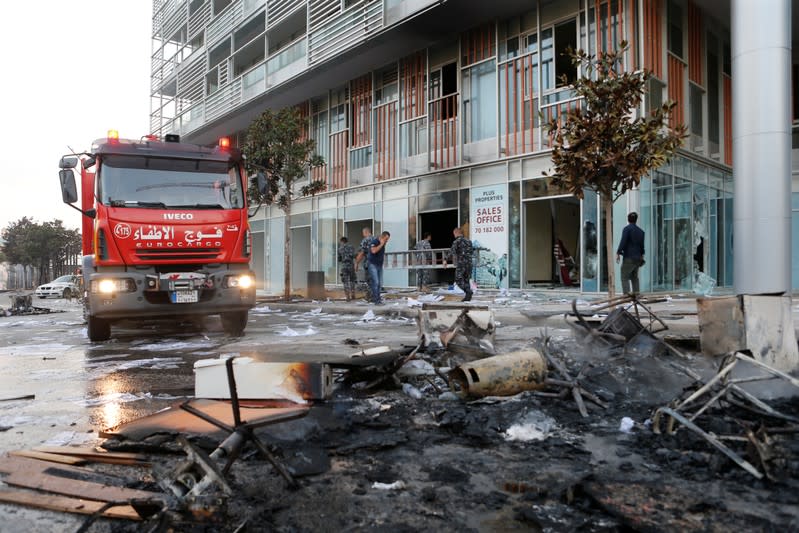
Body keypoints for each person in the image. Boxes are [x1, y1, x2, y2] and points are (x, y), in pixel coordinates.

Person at [616, 211, 645, 295]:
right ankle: (636, 295)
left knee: (624, 276)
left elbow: (623, 241)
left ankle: (627, 295)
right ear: (636, 220)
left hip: (629, 257)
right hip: (638, 258)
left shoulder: (627, 229)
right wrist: (642, 255)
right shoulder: (641, 232)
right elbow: (642, 246)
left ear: (628, 219)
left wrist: (618, 252)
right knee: (634, 277)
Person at [444, 227, 473, 302]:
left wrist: (445, 260)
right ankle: (467, 297)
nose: (453, 235)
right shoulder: (468, 241)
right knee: (466, 280)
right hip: (469, 263)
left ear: (456, 233)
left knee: (458, 279)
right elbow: (471, 251)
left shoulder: (457, 241)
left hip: (461, 263)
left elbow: (452, 252)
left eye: (454, 233)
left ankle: (468, 291)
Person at [367, 231, 390, 304]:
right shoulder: (375, 241)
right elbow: (373, 251)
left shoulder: (383, 244)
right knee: (376, 282)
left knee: (380, 283)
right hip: (373, 264)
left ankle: (378, 299)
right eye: (386, 239)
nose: (387, 241)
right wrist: (381, 244)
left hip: (379, 265)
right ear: (382, 237)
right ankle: (376, 300)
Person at [354, 227, 374, 302]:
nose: (363, 235)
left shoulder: (365, 240)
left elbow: (361, 253)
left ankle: (370, 297)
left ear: (365, 232)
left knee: (369, 281)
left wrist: (356, 263)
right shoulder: (376, 239)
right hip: (377, 263)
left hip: (369, 263)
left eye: (363, 233)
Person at [338, 237, 357, 301]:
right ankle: (353, 295)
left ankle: (347, 297)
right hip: (351, 265)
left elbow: (339, 259)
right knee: (352, 280)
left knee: (345, 281)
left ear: (341, 241)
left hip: (344, 266)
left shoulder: (340, 249)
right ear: (347, 241)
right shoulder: (351, 247)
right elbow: (354, 255)